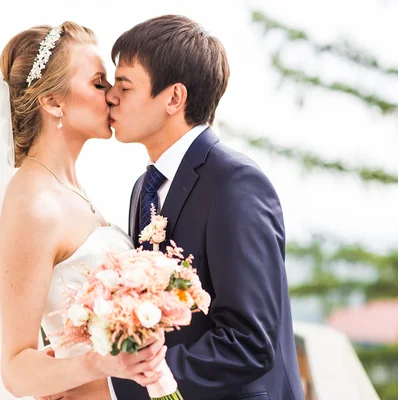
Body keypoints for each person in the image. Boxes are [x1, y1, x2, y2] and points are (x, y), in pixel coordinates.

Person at [105, 15, 304, 400]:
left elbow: (249, 342)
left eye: (124, 86)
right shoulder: (142, 190)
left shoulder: (235, 183)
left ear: (173, 98)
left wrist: (122, 384)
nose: (111, 96)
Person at [0, 22, 168, 400]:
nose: (112, 96)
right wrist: (99, 364)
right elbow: (15, 369)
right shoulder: (33, 204)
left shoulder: (72, 190)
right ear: (53, 101)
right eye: (98, 82)